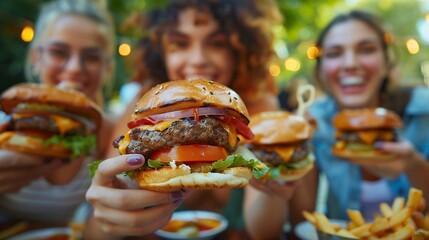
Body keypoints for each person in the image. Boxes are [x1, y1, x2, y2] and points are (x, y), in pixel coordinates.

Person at [85, 0, 284, 238]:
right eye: (180, 44)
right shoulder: (144, 104)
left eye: (217, 43)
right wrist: (109, 217)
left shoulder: (260, 109)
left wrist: (273, 192)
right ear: (161, 52)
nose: (198, 59)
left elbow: (266, 234)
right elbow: (93, 231)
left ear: (238, 51)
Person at [244, 9, 429, 238]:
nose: (350, 63)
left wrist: (414, 166)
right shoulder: (314, 121)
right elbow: (300, 223)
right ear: (321, 69)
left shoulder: (425, 110)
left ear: (386, 61)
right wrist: (277, 183)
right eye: (334, 53)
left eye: (367, 49)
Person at [0, 0, 115, 224]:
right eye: (58, 52)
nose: (74, 68)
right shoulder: (6, 122)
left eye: (91, 57)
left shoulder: (109, 133)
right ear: (36, 58)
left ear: (107, 68)